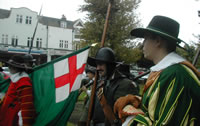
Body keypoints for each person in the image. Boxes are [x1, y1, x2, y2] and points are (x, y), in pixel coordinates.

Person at [114, 15, 200, 125]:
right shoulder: (167, 71)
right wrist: (138, 101)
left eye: (145, 39)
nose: (142, 44)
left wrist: (131, 116)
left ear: (157, 41)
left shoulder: (174, 75)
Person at [85, 47, 139, 126]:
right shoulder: (100, 83)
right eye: (96, 65)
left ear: (110, 65)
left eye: (100, 64)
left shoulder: (126, 84)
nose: (97, 68)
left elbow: (127, 118)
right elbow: (88, 108)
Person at [0, 54, 36, 126]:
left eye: (10, 66)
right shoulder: (16, 80)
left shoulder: (23, 82)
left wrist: (25, 124)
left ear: (15, 68)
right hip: (8, 119)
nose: (9, 67)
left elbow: (27, 106)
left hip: (14, 121)